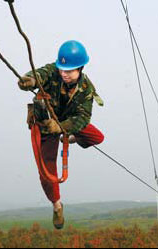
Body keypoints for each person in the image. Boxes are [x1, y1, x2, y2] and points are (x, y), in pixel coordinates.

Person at [18, 40, 104, 229]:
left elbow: (83, 117)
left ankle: (72, 137)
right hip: (46, 124)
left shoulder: (86, 89)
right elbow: (41, 73)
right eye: (62, 69)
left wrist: (63, 128)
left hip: (67, 122)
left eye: (69, 71)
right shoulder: (54, 72)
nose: (64, 74)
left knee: (97, 138)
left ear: (80, 69)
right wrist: (30, 80)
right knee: (47, 172)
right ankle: (57, 206)